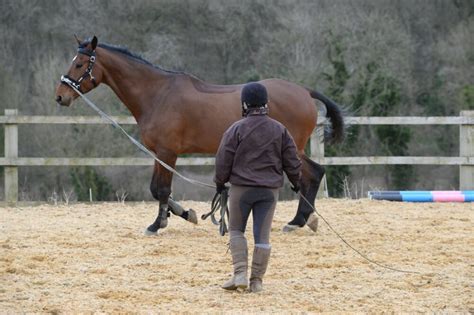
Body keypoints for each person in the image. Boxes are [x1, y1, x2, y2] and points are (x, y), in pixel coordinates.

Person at [214, 82, 302, 293]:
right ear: (266, 103)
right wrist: (296, 182)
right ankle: (257, 282)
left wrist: (220, 183)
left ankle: (240, 274)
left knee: (236, 230)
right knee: (262, 237)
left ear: (244, 103)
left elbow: (223, 159)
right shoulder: (279, 129)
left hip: (241, 189)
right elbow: (292, 160)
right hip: (269, 191)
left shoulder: (236, 129)